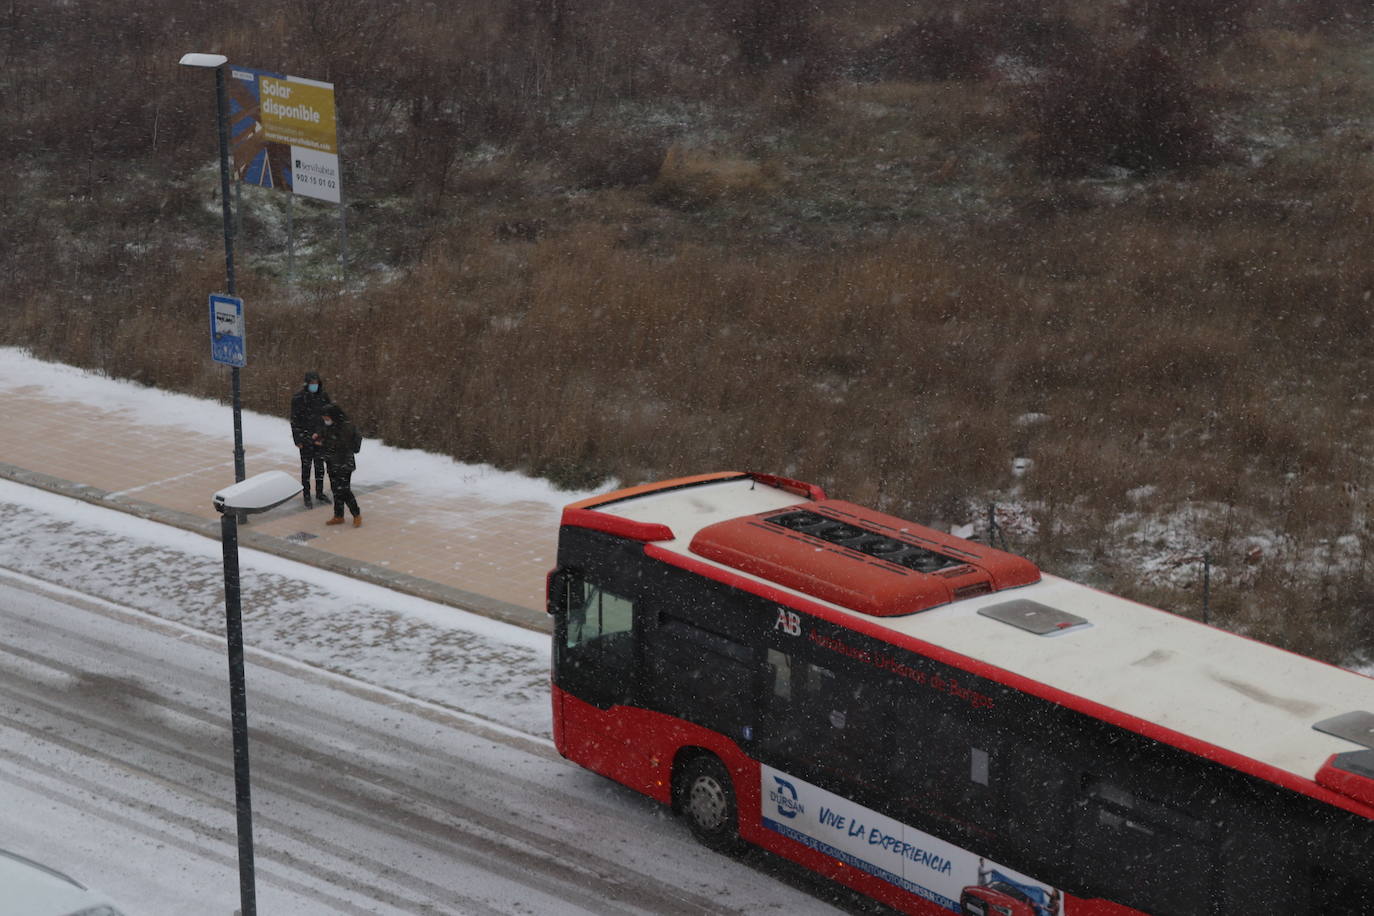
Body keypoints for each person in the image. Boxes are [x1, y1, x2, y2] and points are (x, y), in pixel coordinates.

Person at [314, 403, 362, 527]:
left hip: (344, 463)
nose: (325, 421)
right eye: (324, 419)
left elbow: (341, 444)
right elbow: (326, 434)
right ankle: (338, 516)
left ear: (334, 416)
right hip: (332, 462)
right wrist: (318, 436)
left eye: (327, 418)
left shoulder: (346, 427)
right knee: (336, 490)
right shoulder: (330, 425)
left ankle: (356, 514)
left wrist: (323, 443)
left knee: (344, 490)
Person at [290, 371, 330, 508]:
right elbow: (294, 420)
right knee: (306, 469)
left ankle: (319, 493)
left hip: (319, 439)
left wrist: (322, 434)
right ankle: (306, 496)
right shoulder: (298, 398)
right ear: (307, 383)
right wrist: (298, 439)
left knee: (320, 468)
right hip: (305, 439)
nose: (315, 385)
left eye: (316, 383)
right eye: (312, 383)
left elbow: (328, 416)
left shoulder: (323, 396)